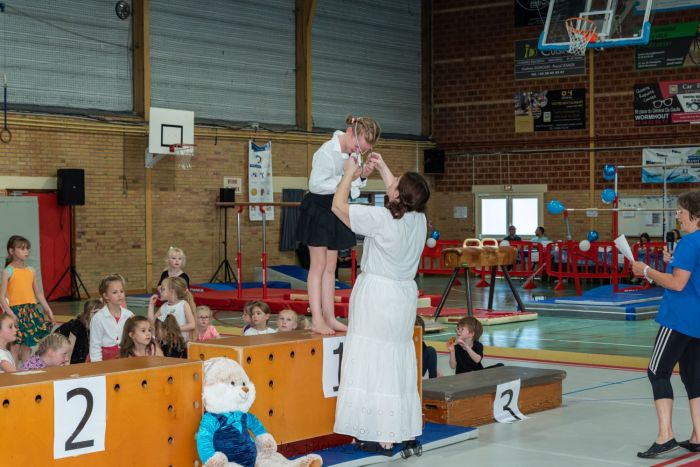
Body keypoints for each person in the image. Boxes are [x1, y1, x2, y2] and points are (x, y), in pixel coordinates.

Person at [331, 151, 430, 453]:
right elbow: (401, 194)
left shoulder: (381, 218)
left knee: (372, 358)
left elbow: (338, 207)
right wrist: (383, 167)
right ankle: (403, 428)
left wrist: (348, 172)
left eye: (396, 181)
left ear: (398, 194)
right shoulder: (419, 219)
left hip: (377, 293)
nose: (392, 179)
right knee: (395, 358)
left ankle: (381, 434)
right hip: (402, 296)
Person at [295, 115, 380, 335]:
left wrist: (360, 176)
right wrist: (348, 177)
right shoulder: (326, 151)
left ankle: (330, 317)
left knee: (331, 267)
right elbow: (315, 185)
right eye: (357, 145)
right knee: (319, 265)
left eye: (362, 150)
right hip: (318, 208)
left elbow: (353, 189)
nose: (358, 151)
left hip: (336, 207)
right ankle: (317, 319)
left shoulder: (354, 155)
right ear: (350, 132)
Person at [632, 192, 700, 458]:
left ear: (694, 214)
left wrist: (646, 271)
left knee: (657, 371)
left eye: (680, 212)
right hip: (696, 320)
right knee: (694, 378)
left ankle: (665, 435)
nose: (677, 216)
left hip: (679, 318)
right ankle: (697, 436)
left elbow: (677, 283)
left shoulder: (689, 243)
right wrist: (674, 263)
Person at [0, 235, 54, 363]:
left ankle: (26, 373)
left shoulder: (31, 270)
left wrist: (48, 309)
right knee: (15, 346)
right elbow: (1, 297)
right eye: (22, 249)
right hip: (15, 312)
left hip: (30, 311)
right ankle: (13, 375)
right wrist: (11, 313)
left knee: (27, 347)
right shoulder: (8, 271)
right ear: (11, 251)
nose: (26, 251)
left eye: (27, 249)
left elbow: (38, 293)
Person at [89, 273, 134, 361]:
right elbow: (95, 346)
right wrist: (98, 367)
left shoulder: (129, 315)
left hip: (124, 357)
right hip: (105, 360)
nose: (119, 295)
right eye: (115, 292)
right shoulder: (98, 318)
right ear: (105, 296)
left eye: (121, 291)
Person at [148, 276, 196, 342]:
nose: (160, 291)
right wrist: (151, 304)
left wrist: (175, 329)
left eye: (163, 289)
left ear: (172, 291)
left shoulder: (183, 304)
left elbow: (192, 325)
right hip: (166, 343)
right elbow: (151, 322)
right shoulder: (164, 306)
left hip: (180, 344)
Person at [55, 298, 102, 364]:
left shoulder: (99, 325)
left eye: (101, 312)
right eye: (95, 312)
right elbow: (69, 351)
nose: (98, 315)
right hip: (58, 345)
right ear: (87, 313)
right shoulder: (77, 325)